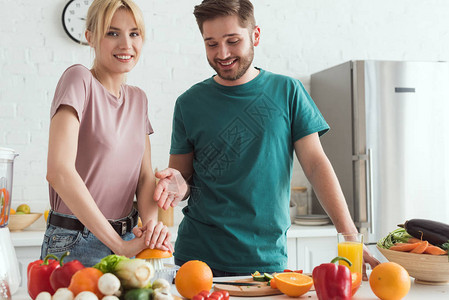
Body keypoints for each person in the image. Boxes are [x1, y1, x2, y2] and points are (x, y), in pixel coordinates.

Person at [154, 0, 379, 278]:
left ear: (255, 36)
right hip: (197, 261)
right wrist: (177, 186)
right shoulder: (188, 103)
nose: (222, 53)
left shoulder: (287, 92)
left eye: (233, 41)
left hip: (266, 260)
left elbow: (316, 166)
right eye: (211, 44)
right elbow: (183, 180)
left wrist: (350, 237)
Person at [43, 0, 173, 267]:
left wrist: (150, 229)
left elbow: (145, 176)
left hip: (129, 239)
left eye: (134, 33)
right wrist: (119, 246)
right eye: (112, 33)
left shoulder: (138, 99)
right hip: (75, 241)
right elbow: (59, 171)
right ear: (90, 37)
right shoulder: (79, 80)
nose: (126, 44)